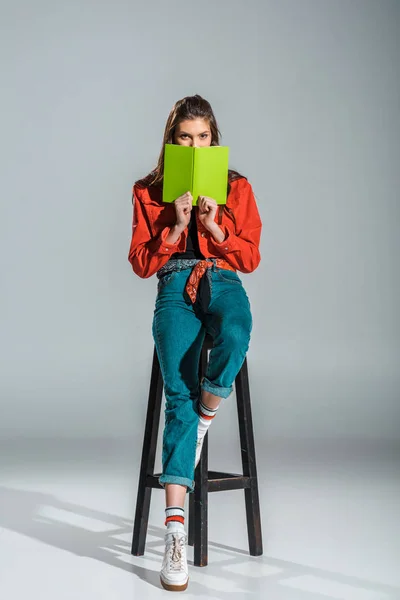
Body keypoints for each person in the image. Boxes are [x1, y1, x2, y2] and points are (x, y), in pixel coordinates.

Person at [128, 94, 262, 592]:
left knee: (236, 331)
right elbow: (141, 262)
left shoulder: (236, 186)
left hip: (222, 279)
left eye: (203, 136)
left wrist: (213, 227)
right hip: (173, 287)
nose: (194, 143)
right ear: (172, 140)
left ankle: (206, 417)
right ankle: (174, 538)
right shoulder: (149, 190)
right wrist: (177, 227)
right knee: (176, 394)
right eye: (185, 136)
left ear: (214, 139)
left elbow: (250, 258)